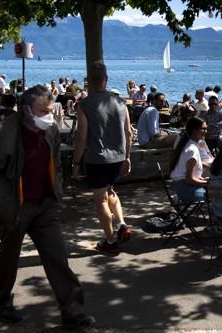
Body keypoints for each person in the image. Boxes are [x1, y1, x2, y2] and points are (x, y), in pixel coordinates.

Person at [0, 85, 95, 329]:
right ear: (26, 109)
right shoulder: (2, 134)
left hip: (45, 205)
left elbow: (56, 163)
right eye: (43, 110)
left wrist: (56, 190)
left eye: (50, 110)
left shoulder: (49, 131)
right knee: (8, 259)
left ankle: (72, 312)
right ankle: (0, 303)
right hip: (16, 207)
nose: (48, 115)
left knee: (57, 257)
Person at [73, 61, 133, 254]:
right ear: (106, 80)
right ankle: (122, 224)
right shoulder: (121, 102)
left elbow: (81, 138)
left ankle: (109, 241)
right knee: (110, 191)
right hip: (118, 157)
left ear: (88, 82)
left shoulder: (84, 105)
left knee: (101, 200)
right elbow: (129, 133)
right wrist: (128, 157)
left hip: (97, 159)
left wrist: (75, 163)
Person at [170, 117, 209, 202]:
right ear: (194, 130)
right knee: (220, 193)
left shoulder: (187, 144)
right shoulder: (192, 150)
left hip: (182, 188)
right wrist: (207, 183)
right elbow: (189, 179)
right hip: (187, 191)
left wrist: (203, 180)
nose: (206, 132)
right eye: (203, 129)